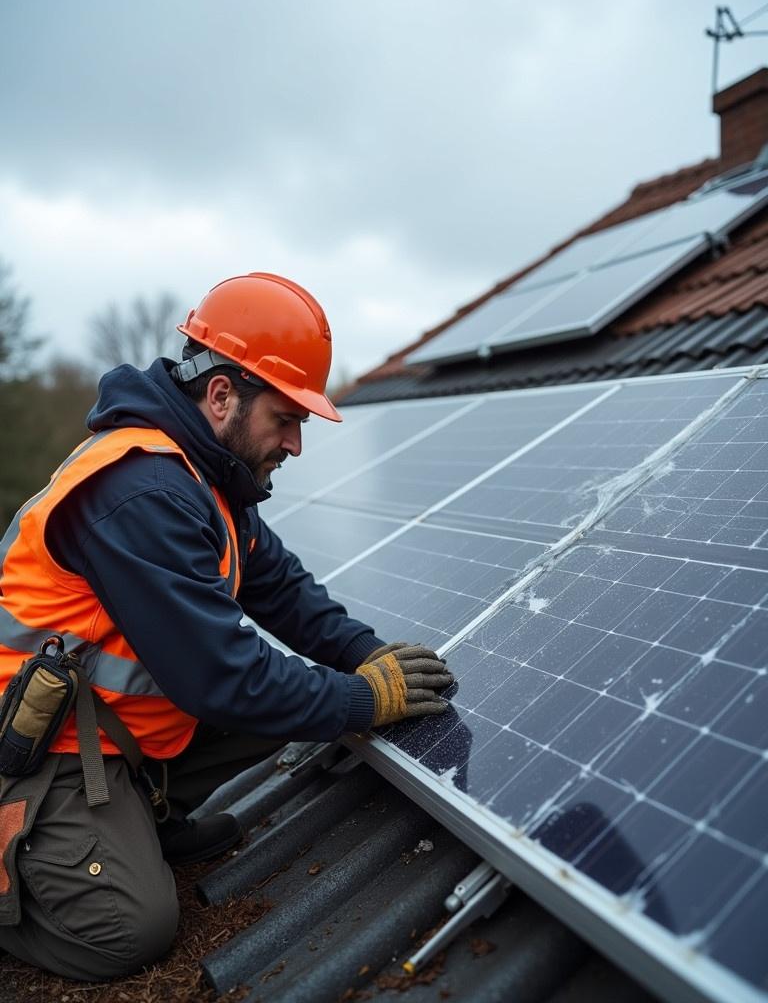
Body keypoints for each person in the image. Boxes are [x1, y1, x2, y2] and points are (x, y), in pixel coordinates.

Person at [0, 272, 452, 980]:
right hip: (37, 750)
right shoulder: (140, 490)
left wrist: (369, 656)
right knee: (128, 932)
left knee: (304, 695)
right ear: (221, 395)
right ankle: (42, 866)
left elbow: (281, 589)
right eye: (287, 418)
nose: (296, 444)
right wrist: (367, 700)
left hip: (106, 730)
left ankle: (136, 822)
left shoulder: (206, 477)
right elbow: (220, 676)